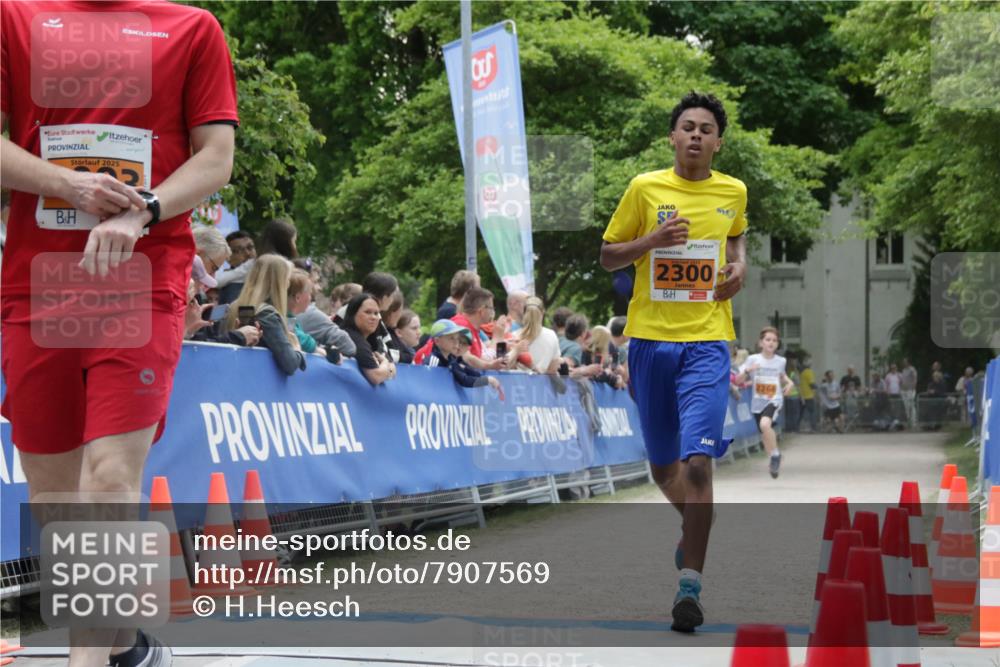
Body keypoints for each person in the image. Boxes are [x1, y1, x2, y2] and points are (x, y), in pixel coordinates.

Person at [1, 1, 238, 664]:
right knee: (53, 494)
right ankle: (124, 642)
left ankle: (89, 660)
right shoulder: (14, 17)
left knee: (108, 476)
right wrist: (67, 186)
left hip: (144, 271)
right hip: (37, 279)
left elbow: (215, 157)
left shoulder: (193, 27)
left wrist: (144, 211)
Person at [599, 92, 748, 632]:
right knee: (664, 469)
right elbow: (608, 254)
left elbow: (735, 239)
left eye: (706, 129)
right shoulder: (645, 187)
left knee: (698, 465)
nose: (695, 136)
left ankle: (690, 588)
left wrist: (740, 268)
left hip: (708, 342)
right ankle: (696, 526)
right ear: (672, 136)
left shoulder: (734, 191)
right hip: (648, 344)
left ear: (717, 142)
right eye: (686, 127)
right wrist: (654, 239)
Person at [222, 256, 306, 376]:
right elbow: (290, 364)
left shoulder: (233, 307)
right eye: (287, 279)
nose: (288, 284)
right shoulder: (267, 315)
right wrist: (297, 349)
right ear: (279, 283)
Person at [734, 327, 794, 478]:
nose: (771, 343)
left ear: (777, 344)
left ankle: (774, 456)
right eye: (768, 340)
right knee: (765, 435)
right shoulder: (753, 359)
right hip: (757, 402)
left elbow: (782, 376)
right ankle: (775, 455)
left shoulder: (781, 361)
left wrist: (790, 383)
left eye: (774, 340)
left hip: (774, 399)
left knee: (765, 425)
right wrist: (748, 370)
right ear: (761, 343)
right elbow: (738, 380)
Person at [422, 320, 504, 397]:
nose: (456, 342)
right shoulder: (433, 361)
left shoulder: (451, 360)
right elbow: (426, 387)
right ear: (437, 341)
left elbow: (466, 376)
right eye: (451, 338)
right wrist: (487, 380)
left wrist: (486, 380)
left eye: (457, 338)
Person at [341, 293, 397, 386]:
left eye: (376, 313)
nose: (373, 317)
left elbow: (392, 367)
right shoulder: (352, 337)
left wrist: (387, 368)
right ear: (353, 314)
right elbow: (376, 376)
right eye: (367, 312)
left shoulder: (373, 340)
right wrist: (386, 364)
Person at [514, 297, 562, 374]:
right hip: (543, 384)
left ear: (524, 313)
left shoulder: (514, 336)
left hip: (518, 383)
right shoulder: (551, 335)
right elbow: (553, 367)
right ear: (543, 312)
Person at [216, 230, 256, 305]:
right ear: (227, 257)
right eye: (238, 250)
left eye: (250, 247)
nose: (247, 253)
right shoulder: (225, 286)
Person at [287, 268, 319, 354]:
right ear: (298, 297)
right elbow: (297, 338)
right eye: (309, 293)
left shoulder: (291, 318)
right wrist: (316, 349)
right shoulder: (285, 319)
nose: (311, 298)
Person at [381, 289, 414, 364]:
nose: (401, 314)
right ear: (391, 312)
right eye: (400, 310)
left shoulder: (390, 331)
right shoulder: (380, 332)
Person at [799, 357, 819, 433]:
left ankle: (799, 427)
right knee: (812, 412)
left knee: (802, 412)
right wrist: (818, 387)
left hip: (803, 395)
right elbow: (811, 384)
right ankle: (813, 428)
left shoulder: (802, 372)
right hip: (809, 395)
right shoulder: (809, 372)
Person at [785, 358, 802, 433]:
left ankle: (789, 428)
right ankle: (795, 428)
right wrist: (801, 395)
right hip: (794, 396)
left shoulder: (786, 373)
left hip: (787, 396)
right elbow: (798, 384)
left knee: (788, 413)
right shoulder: (794, 373)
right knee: (795, 413)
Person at [900, 357, 918, 429]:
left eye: (905, 361)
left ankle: (914, 422)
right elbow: (903, 380)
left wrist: (913, 388)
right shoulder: (903, 370)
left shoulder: (912, 369)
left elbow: (915, 379)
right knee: (906, 406)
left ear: (908, 362)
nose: (904, 363)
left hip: (910, 389)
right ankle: (908, 422)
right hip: (904, 390)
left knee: (911, 405)